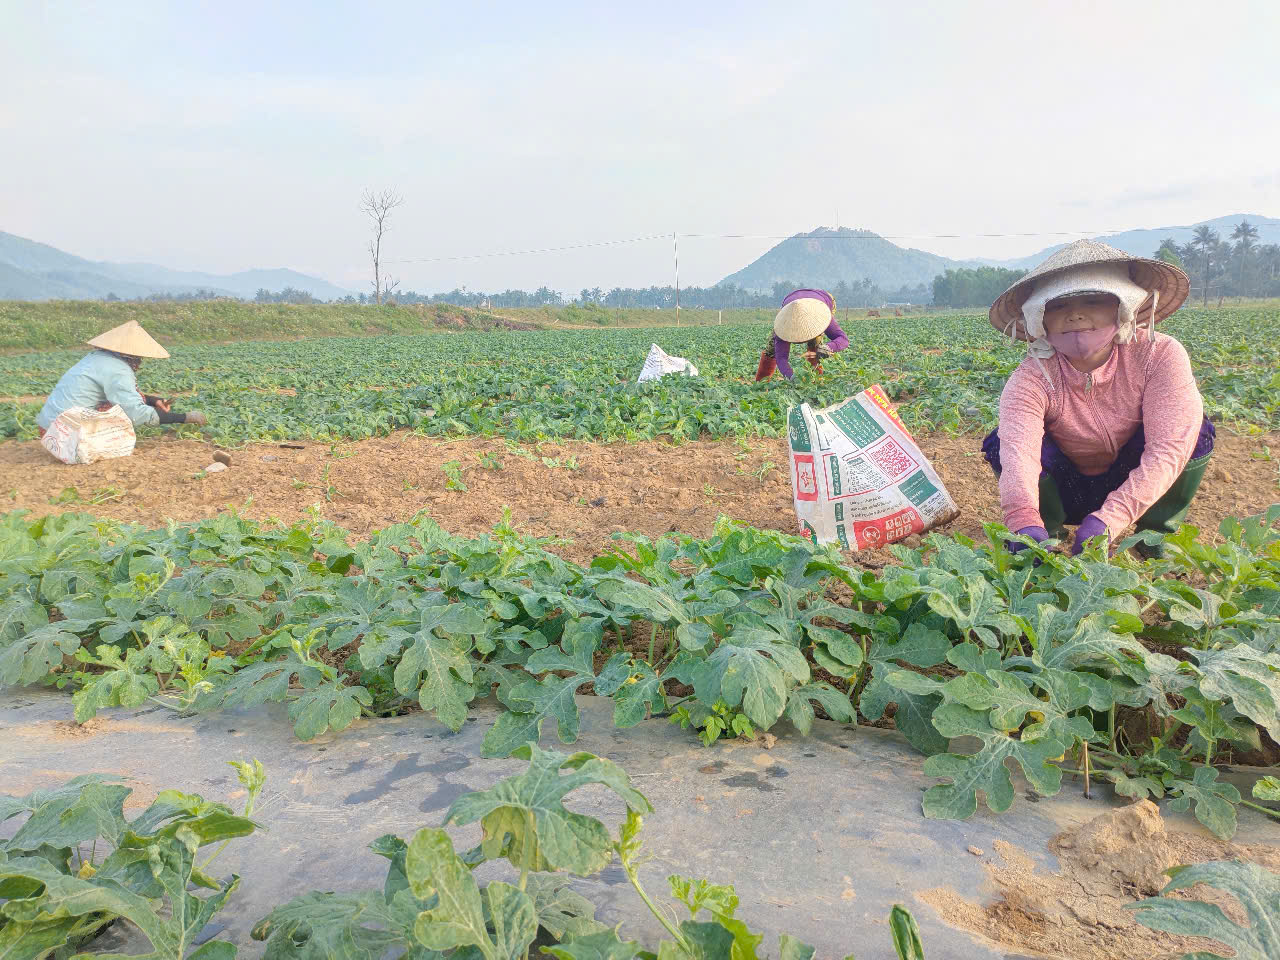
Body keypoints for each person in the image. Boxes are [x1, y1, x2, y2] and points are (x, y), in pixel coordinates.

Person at [981, 239, 1212, 557]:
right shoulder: (1031, 379)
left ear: (1122, 307)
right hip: (1066, 488)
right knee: (1000, 442)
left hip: (1133, 478)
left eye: (1092, 300)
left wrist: (1110, 519)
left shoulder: (1159, 354)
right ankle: (1042, 536)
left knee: (1195, 431)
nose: (1075, 315)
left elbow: (1167, 449)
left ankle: (1154, 540)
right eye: (1058, 305)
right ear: (1040, 318)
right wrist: (1022, 520)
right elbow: (1020, 457)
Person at [36, 320, 207, 442]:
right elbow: (136, 413)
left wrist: (154, 401)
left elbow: (125, 395)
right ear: (132, 354)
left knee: (115, 404)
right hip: (65, 437)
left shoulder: (96, 357)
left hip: (48, 429)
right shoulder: (118, 370)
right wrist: (184, 417)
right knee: (119, 416)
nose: (140, 361)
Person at [755, 288, 849, 381]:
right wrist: (791, 376)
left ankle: (814, 379)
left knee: (817, 345)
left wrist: (828, 348)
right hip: (791, 304)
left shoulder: (821, 315)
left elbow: (843, 339)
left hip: (822, 300)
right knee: (771, 350)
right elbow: (781, 357)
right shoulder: (784, 325)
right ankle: (760, 385)